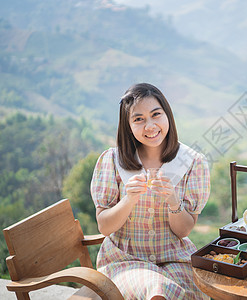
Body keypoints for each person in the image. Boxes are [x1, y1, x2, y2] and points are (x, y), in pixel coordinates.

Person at [90, 83, 210, 299]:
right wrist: (128, 200)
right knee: (158, 290)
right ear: (128, 126)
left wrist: (173, 201)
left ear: (167, 116)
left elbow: (183, 231)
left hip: (174, 260)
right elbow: (104, 226)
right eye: (139, 119)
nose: (150, 126)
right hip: (125, 261)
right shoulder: (112, 161)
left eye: (156, 115)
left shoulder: (191, 163)